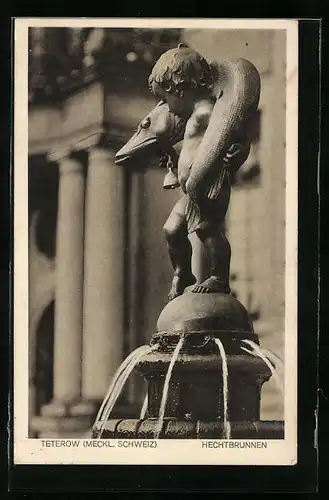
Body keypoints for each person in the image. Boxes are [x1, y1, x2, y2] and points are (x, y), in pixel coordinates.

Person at [148, 44, 255, 300]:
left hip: (210, 186)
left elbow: (237, 134)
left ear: (182, 90)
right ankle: (183, 273)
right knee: (171, 229)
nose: (165, 105)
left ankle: (219, 278)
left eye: (166, 98)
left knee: (208, 230)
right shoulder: (192, 115)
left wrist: (237, 152)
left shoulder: (209, 112)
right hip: (191, 191)